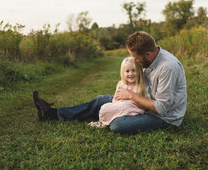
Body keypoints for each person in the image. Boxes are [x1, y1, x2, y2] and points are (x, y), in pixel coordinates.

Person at [33, 31, 187, 134]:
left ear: (147, 54)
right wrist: (125, 93)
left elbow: (161, 109)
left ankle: (111, 118)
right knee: (101, 100)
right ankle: (52, 113)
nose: (135, 61)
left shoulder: (167, 68)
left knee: (118, 125)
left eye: (136, 58)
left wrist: (131, 96)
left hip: (162, 117)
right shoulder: (150, 58)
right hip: (142, 103)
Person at [88, 57, 146, 128]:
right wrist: (117, 105)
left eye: (133, 70)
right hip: (119, 105)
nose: (130, 74)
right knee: (105, 107)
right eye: (127, 71)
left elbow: (142, 103)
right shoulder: (121, 84)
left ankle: (104, 124)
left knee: (122, 109)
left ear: (139, 71)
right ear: (123, 72)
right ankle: (104, 121)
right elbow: (115, 99)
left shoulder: (140, 86)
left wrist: (129, 100)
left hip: (133, 109)